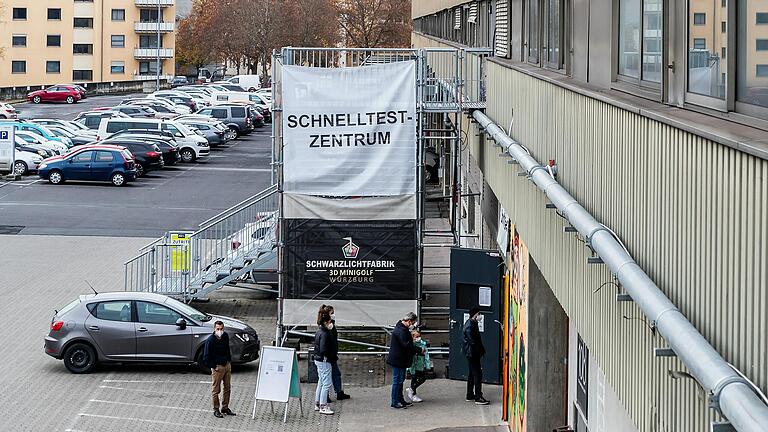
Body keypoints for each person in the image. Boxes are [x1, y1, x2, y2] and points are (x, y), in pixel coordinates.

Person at [386, 311, 422, 409]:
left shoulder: (400, 329)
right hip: (398, 360)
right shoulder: (401, 331)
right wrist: (419, 349)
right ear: (409, 321)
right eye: (413, 323)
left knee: (400, 381)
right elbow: (407, 345)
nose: (413, 325)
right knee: (397, 381)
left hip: (399, 359)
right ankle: (395, 401)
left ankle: (399, 399)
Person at [203, 320, 236, 418]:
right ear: (214, 329)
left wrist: (228, 361)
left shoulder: (225, 336)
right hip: (217, 367)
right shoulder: (210, 340)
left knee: (227, 388)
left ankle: (225, 407)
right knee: (216, 390)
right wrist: (214, 366)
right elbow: (206, 357)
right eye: (218, 329)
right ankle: (216, 409)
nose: (220, 331)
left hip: (226, 365)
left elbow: (227, 349)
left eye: (221, 329)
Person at [321, 305, 351, 401]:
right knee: (328, 377)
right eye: (332, 313)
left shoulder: (331, 326)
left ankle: (338, 392)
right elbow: (326, 344)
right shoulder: (327, 328)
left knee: (335, 374)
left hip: (331, 355)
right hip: (329, 356)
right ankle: (326, 397)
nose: (333, 315)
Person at [463, 306, 489, 405]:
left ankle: (470, 394)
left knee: (471, 374)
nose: (480, 316)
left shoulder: (471, 323)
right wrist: (481, 351)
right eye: (479, 314)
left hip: (470, 353)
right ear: (475, 315)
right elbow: (474, 342)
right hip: (472, 353)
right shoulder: (470, 326)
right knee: (478, 374)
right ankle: (478, 397)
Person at [313, 311, 338, 415]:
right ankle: (323, 406)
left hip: (319, 359)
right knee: (326, 383)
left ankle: (318, 403)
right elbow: (324, 349)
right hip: (324, 360)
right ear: (326, 322)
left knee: (321, 382)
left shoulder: (319, 331)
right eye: (330, 321)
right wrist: (330, 356)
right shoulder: (325, 333)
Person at [406, 329, 431, 403]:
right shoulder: (411, 345)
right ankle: (413, 393)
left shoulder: (422, 344)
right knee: (414, 378)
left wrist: (427, 365)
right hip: (413, 365)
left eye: (419, 336)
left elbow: (426, 355)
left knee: (422, 378)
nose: (418, 338)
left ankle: (412, 389)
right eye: (416, 337)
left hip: (420, 365)